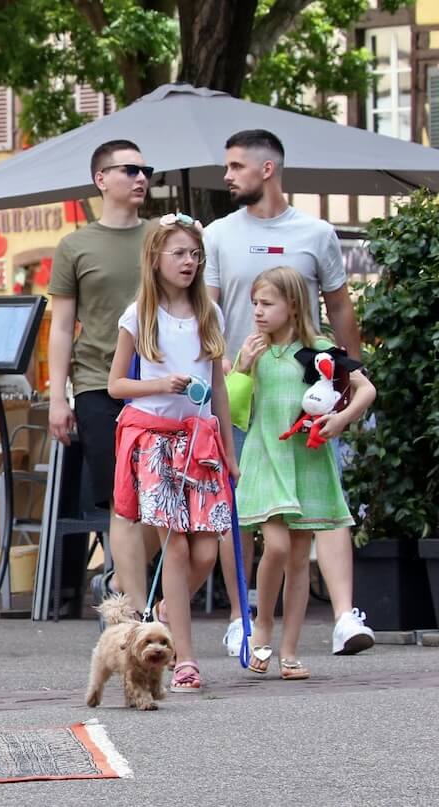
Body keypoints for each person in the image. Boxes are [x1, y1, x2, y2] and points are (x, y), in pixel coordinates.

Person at [204, 128, 373, 657]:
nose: (227, 176)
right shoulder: (218, 234)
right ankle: (241, 618)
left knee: (324, 499)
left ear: (267, 168)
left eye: (236, 166)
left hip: (305, 390)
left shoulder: (316, 232)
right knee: (244, 512)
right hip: (240, 386)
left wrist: (346, 380)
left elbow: (339, 306)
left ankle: (344, 616)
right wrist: (218, 371)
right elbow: (208, 311)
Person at [107, 213, 236, 694]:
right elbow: (116, 385)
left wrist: (228, 449)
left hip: (199, 443)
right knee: (176, 546)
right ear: (155, 258)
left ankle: (165, 611)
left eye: (195, 254)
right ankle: (186, 658)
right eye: (179, 253)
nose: (189, 262)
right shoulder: (139, 314)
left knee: (206, 548)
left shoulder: (210, 313)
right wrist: (159, 384)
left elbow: (218, 388)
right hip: (155, 441)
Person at [235, 267, 376, 679]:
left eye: (267, 303)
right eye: (255, 304)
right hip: (266, 456)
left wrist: (341, 419)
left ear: (293, 306)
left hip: (307, 461)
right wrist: (242, 367)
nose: (258, 312)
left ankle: (289, 650)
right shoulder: (255, 350)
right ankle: (262, 625)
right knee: (276, 547)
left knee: (298, 557)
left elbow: (365, 389)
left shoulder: (319, 349)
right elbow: (235, 407)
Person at [48, 139, 159, 613]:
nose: (141, 178)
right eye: (129, 170)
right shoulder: (75, 245)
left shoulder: (162, 236)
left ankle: (117, 578)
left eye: (146, 170)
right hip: (97, 383)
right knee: (122, 500)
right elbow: (61, 326)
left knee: (160, 501)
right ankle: (134, 610)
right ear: (101, 179)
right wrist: (58, 397)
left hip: (160, 384)